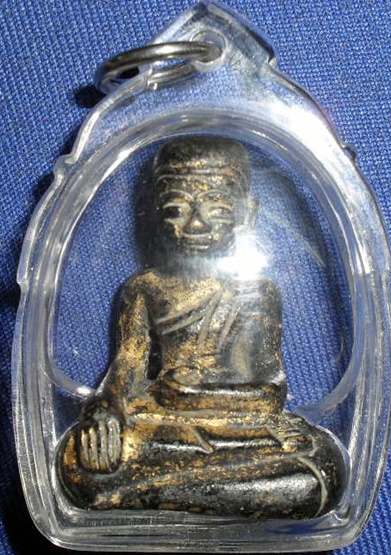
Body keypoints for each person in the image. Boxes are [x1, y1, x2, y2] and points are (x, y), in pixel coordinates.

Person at [58, 136, 346, 518]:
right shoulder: (144, 288)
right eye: (177, 208)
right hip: (165, 426)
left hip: (240, 430)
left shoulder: (256, 292)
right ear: (155, 214)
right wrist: (103, 410)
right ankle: (197, 491)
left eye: (217, 207)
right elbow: (127, 367)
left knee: (319, 467)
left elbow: (270, 392)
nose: (195, 223)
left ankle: (140, 493)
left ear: (247, 213)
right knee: (78, 456)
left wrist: (194, 397)